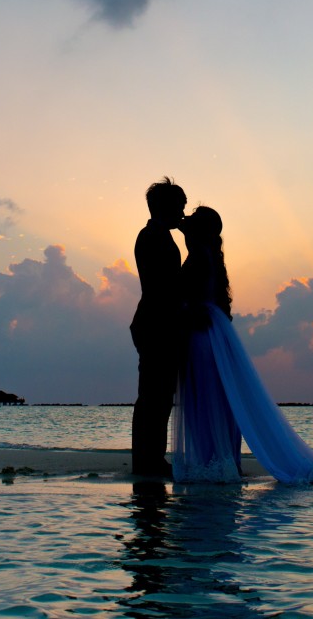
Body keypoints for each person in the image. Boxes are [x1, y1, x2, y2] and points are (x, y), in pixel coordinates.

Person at [172, 206, 313, 487]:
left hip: (202, 333)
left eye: (192, 218)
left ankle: (212, 462)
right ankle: (222, 461)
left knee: (206, 396)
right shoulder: (209, 253)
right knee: (219, 398)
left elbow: (188, 292)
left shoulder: (199, 253)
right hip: (214, 330)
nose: (185, 219)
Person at [130, 177, 188, 478]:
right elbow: (162, 287)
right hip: (156, 324)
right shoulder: (152, 237)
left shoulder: (160, 235)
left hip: (157, 322)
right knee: (154, 396)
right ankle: (147, 460)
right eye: (179, 207)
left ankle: (150, 458)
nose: (183, 213)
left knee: (158, 396)